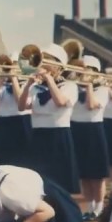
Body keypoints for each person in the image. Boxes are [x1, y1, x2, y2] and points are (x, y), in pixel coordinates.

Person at [18, 44, 80, 194]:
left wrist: (49, 79)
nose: (42, 64)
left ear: (58, 67)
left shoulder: (69, 86)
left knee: (60, 182)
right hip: (38, 136)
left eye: (48, 60)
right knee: (38, 182)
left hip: (59, 137)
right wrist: (28, 85)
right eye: (43, 59)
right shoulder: (37, 87)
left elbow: (60, 101)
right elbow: (21, 106)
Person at [69, 56, 112, 220]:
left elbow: (91, 105)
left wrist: (88, 86)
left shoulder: (102, 89)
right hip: (77, 129)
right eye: (81, 69)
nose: (83, 73)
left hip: (94, 130)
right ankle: (89, 207)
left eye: (88, 70)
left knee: (97, 174)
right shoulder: (73, 87)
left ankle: (99, 208)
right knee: (84, 174)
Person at [0, 64, 31, 167]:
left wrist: (14, 79)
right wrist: (1, 81)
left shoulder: (28, 83)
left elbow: (19, 99)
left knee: (23, 158)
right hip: (4, 122)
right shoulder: (2, 86)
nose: (11, 69)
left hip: (22, 121)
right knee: (2, 159)